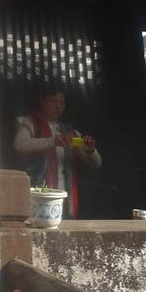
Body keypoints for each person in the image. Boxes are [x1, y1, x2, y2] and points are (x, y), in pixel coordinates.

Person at [13, 83, 101, 218]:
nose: (58, 106)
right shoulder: (29, 122)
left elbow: (97, 163)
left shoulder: (69, 131)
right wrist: (53, 141)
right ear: (42, 101)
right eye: (53, 101)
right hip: (37, 193)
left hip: (64, 196)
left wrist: (91, 151)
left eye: (62, 103)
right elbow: (19, 145)